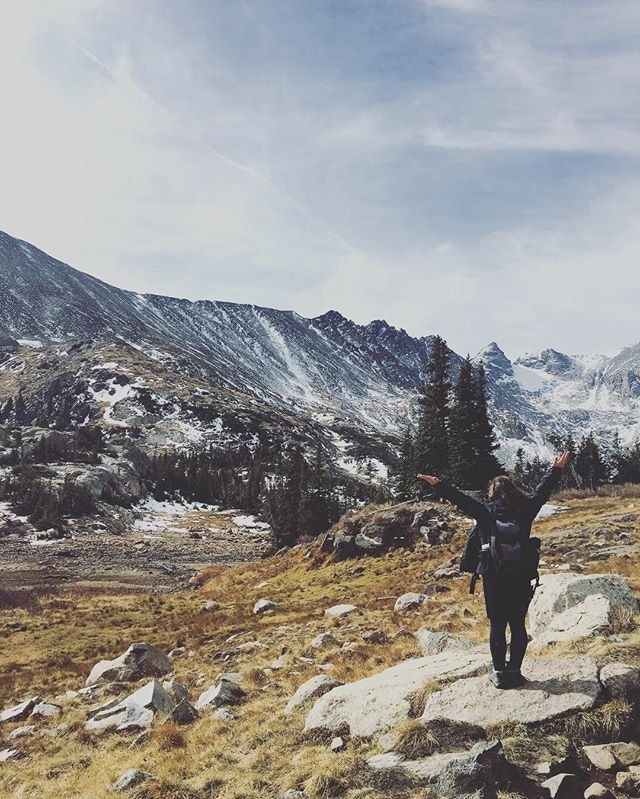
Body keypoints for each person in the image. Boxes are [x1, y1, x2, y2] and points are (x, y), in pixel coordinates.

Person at [417, 451, 571, 689]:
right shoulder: (527, 509)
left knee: (497, 625)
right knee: (518, 625)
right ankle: (515, 672)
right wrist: (556, 469)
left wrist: (438, 484)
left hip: (494, 576)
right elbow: (542, 492)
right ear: (513, 491)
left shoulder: (485, 512)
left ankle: (499, 673)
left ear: (492, 494)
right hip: (521, 576)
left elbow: (460, 500)